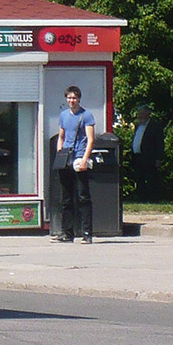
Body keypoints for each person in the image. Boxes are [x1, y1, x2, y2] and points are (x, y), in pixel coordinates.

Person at [52, 85, 96, 244]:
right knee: (66, 198)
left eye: (74, 98)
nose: (72, 101)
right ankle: (67, 233)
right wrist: (60, 153)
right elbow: (61, 137)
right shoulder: (63, 115)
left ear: (79, 99)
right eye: (69, 98)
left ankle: (86, 233)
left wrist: (85, 159)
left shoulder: (86, 115)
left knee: (83, 196)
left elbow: (90, 139)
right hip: (66, 159)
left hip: (79, 158)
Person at [130, 104, 166, 202]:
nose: (139, 116)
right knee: (139, 178)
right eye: (138, 114)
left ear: (147, 114)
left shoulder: (155, 126)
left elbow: (159, 143)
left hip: (150, 157)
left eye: (141, 114)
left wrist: (159, 158)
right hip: (137, 156)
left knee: (151, 179)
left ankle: (153, 198)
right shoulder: (138, 126)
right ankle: (141, 198)